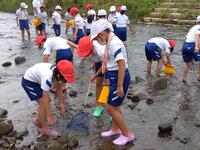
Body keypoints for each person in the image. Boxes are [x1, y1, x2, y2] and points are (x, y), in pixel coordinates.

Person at [90, 19, 134, 146]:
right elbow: (109, 64)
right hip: (115, 76)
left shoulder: (114, 43)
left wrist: (120, 86)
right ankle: (115, 130)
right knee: (113, 105)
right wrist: (96, 75)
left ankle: (127, 135)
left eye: (98, 39)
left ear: (102, 34)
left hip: (120, 77)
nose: (99, 41)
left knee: (110, 108)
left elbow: (121, 63)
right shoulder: (110, 42)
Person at [21, 60, 75, 137]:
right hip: (29, 81)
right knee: (43, 103)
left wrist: (61, 103)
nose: (65, 82)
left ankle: (39, 120)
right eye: (65, 80)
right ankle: (44, 130)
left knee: (47, 102)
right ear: (59, 76)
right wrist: (50, 116)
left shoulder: (57, 74)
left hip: (37, 79)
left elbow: (59, 87)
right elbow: (45, 97)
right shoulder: (48, 78)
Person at [35, 35, 77, 114]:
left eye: (40, 45)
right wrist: (76, 46)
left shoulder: (47, 43)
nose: (41, 47)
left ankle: (57, 87)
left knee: (58, 71)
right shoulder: (55, 39)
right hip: (69, 52)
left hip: (61, 53)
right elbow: (68, 42)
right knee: (65, 71)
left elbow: (46, 56)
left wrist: (46, 68)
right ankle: (64, 87)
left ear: (42, 42)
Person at [77, 36, 106, 118]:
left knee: (108, 85)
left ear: (92, 48)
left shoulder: (101, 52)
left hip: (109, 63)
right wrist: (94, 63)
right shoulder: (89, 47)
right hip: (99, 62)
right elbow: (93, 57)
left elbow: (105, 66)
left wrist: (95, 75)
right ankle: (98, 106)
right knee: (98, 84)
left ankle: (112, 108)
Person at [182, 15, 200, 82]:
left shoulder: (193, 27)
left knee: (188, 64)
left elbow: (186, 36)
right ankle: (199, 76)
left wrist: (182, 46)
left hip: (186, 45)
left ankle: (184, 79)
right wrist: (196, 46)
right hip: (192, 45)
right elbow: (196, 35)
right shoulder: (199, 27)